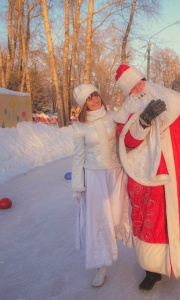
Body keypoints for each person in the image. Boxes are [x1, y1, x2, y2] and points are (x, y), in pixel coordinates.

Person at [113, 64, 180, 291]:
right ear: (128, 92)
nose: (139, 87)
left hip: (175, 176)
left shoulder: (169, 98)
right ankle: (152, 271)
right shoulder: (125, 112)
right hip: (145, 179)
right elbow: (126, 143)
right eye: (133, 87)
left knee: (175, 218)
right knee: (152, 223)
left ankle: (179, 259)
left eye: (140, 81)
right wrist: (143, 121)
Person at [71, 83, 131, 288]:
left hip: (114, 174)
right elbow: (78, 157)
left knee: (114, 218)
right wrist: (78, 185)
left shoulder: (113, 118)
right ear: (84, 104)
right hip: (95, 177)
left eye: (96, 95)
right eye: (90, 98)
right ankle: (101, 265)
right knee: (98, 221)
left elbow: (126, 141)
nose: (95, 100)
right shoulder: (79, 127)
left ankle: (111, 248)